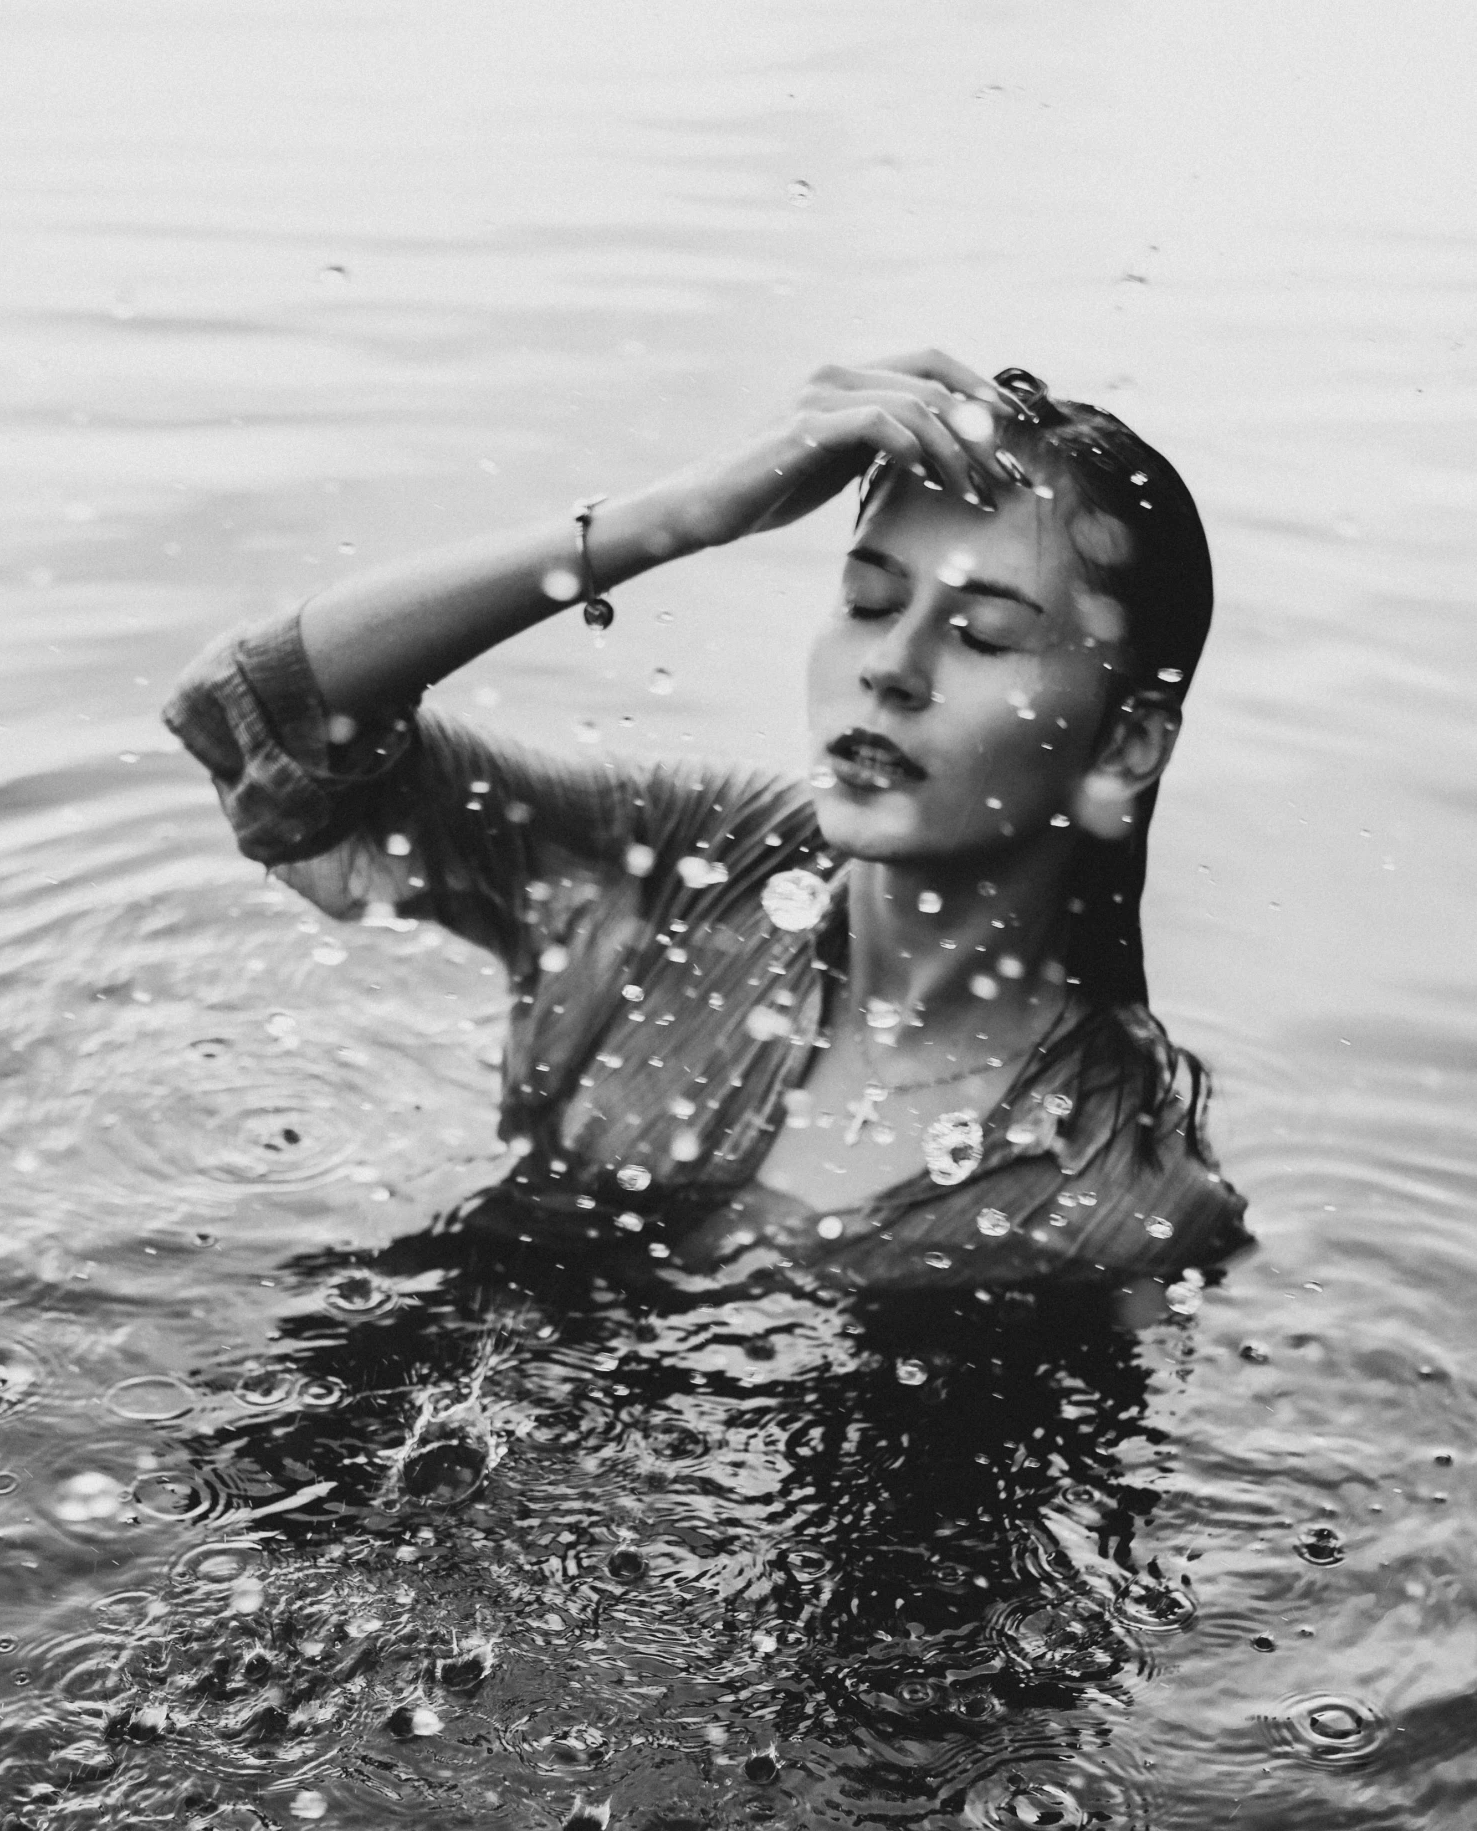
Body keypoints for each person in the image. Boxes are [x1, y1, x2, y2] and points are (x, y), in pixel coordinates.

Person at [163, 349, 1250, 1320]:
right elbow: (264, 714)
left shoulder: (1116, 1199)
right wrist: (676, 517)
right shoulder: (687, 866)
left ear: (1123, 747)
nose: (891, 666)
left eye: (981, 635)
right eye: (869, 604)